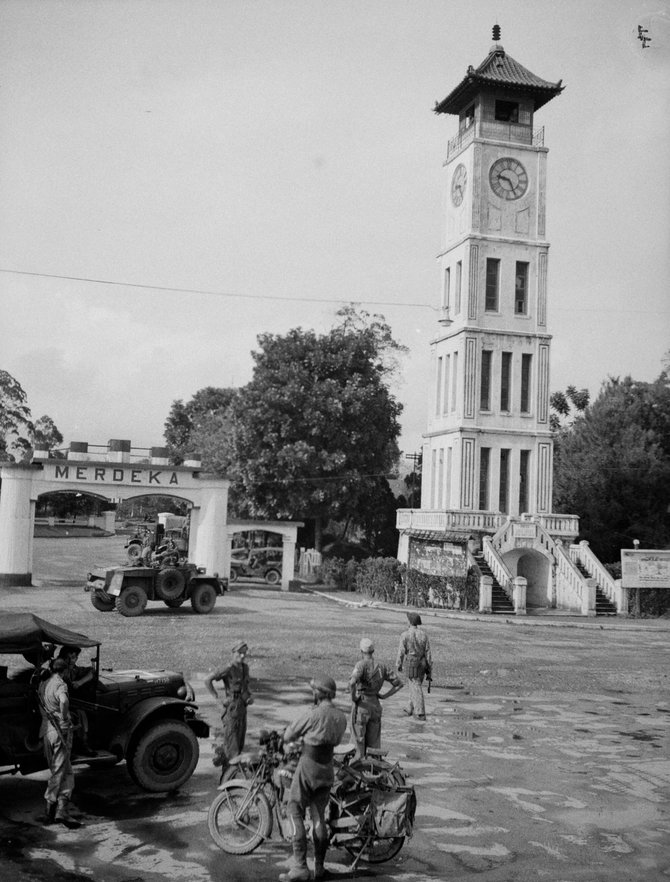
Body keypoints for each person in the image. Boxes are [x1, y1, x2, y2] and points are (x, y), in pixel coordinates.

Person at [278, 674, 347, 882]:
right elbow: (333, 740)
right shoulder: (340, 717)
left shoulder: (312, 714)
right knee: (319, 816)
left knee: (294, 809)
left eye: (313, 691)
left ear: (318, 693)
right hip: (326, 769)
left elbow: (289, 736)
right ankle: (319, 867)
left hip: (308, 767)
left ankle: (299, 867)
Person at [37, 658, 80, 827]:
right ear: (65, 671)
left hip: (46, 731)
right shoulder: (60, 684)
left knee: (66, 771)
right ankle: (50, 809)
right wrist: (64, 716)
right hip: (61, 731)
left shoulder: (43, 683)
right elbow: (63, 700)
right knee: (59, 771)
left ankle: (61, 810)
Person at [205, 640, 253, 775]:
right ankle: (227, 780)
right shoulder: (228, 668)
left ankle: (232, 775)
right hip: (231, 709)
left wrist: (248, 696)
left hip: (242, 708)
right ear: (233, 653)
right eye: (239, 653)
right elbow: (207, 680)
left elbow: (245, 686)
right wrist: (217, 698)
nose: (242, 656)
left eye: (244, 653)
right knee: (231, 746)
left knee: (240, 743)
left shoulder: (245, 668)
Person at [349, 637, 403, 759]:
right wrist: (384, 696)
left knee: (358, 743)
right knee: (373, 746)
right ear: (373, 651)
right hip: (375, 705)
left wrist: (353, 697)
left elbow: (352, 683)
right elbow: (399, 684)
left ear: (361, 651)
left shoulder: (360, 665)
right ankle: (374, 772)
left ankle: (357, 772)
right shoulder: (382, 667)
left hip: (362, 704)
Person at [57, 646, 95, 755]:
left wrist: (80, 682)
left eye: (75, 657)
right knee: (79, 714)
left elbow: (91, 672)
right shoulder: (59, 669)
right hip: (60, 703)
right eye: (72, 657)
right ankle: (81, 745)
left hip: (69, 701)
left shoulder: (73, 669)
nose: (74, 660)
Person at [396, 612, 433, 721]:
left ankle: (420, 712)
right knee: (415, 685)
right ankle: (409, 707)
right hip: (422, 664)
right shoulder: (424, 635)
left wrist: (399, 664)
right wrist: (429, 668)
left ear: (410, 622)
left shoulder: (405, 635)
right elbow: (428, 653)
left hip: (411, 663)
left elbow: (401, 652)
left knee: (415, 686)